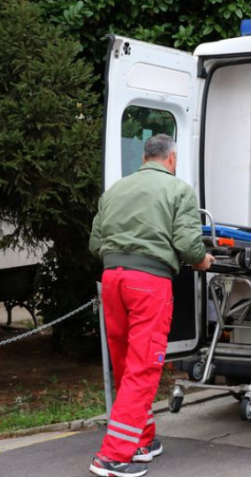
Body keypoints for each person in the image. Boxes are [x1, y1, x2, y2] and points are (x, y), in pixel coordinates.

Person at [88, 134, 214, 477]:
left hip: (112, 279)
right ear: (171, 159)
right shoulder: (179, 191)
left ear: (145, 157)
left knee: (127, 363)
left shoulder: (114, 190)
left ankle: (142, 441)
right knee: (144, 366)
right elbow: (188, 245)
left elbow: (95, 242)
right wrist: (203, 260)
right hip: (149, 283)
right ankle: (113, 457)